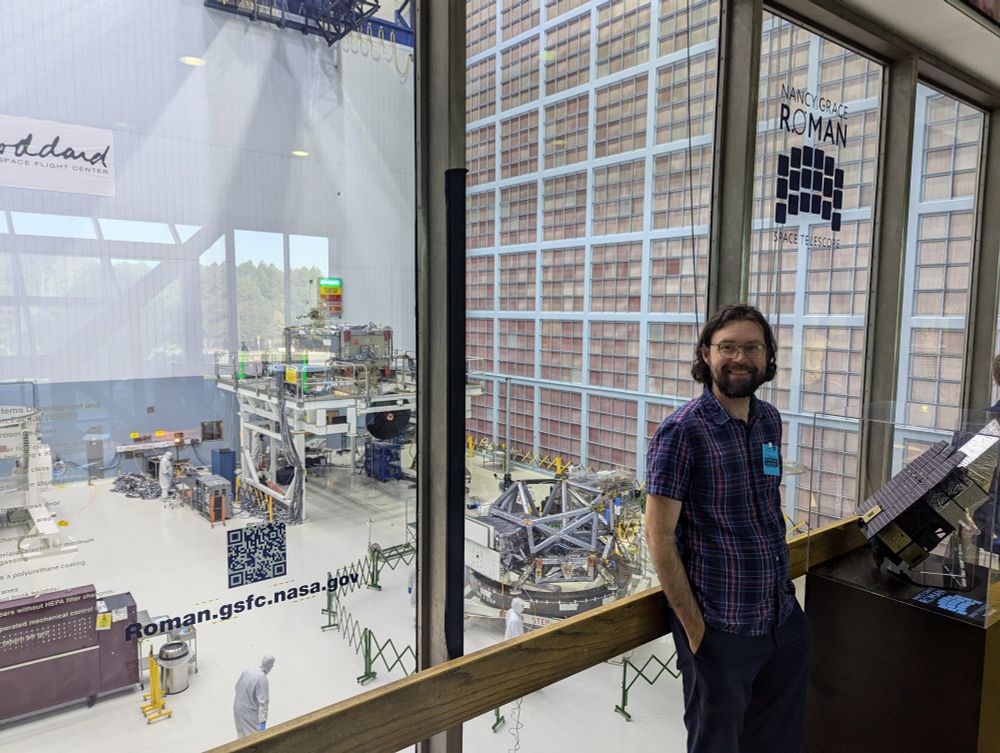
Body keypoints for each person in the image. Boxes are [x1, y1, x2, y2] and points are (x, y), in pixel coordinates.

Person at [645, 303, 810, 753]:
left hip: (781, 621)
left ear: (768, 355)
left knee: (779, 743)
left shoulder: (768, 420)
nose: (740, 358)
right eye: (728, 347)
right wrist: (697, 632)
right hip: (722, 630)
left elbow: (766, 512)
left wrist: (789, 621)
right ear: (706, 354)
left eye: (752, 347)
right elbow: (658, 537)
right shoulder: (681, 432)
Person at [234, 655, 275, 738]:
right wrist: (262, 721)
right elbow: (263, 702)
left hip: (237, 706)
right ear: (269, 665)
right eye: (272, 665)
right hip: (248, 711)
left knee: (241, 734)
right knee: (253, 737)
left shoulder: (248, 670)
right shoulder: (262, 678)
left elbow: (236, 686)